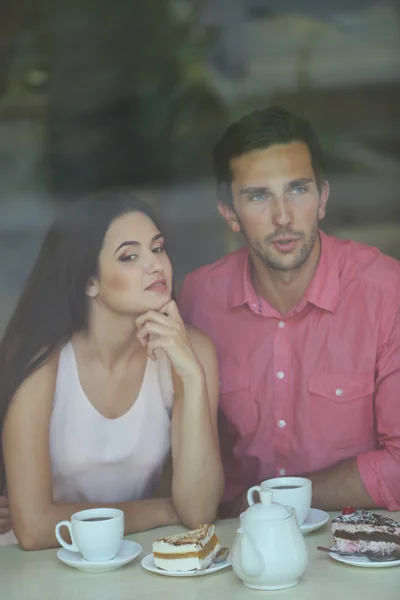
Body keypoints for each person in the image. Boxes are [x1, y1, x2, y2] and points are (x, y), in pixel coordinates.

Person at [179, 106, 400, 517]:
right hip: (234, 546)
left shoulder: (386, 294)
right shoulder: (198, 299)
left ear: (323, 199)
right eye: (259, 196)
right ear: (229, 212)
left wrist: (273, 499)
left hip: (354, 546)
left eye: (298, 190)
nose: (283, 217)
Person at [0, 191, 223, 548]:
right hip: (39, 567)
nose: (155, 265)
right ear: (90, 282)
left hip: (135, 559)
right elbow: (35, 528)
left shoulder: (191, 351)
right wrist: (166, 510)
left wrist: (194, 380)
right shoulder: (42, 362)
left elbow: (198, 511)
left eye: (158, 248)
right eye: (130, 256)